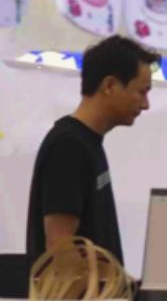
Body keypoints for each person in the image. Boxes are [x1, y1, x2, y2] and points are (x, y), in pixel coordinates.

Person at [26, 36, 160, 264]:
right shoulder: (68, 148)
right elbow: (60, 246)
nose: (146, 104)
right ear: (110, 86)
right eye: (142, 91)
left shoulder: (87, 143)